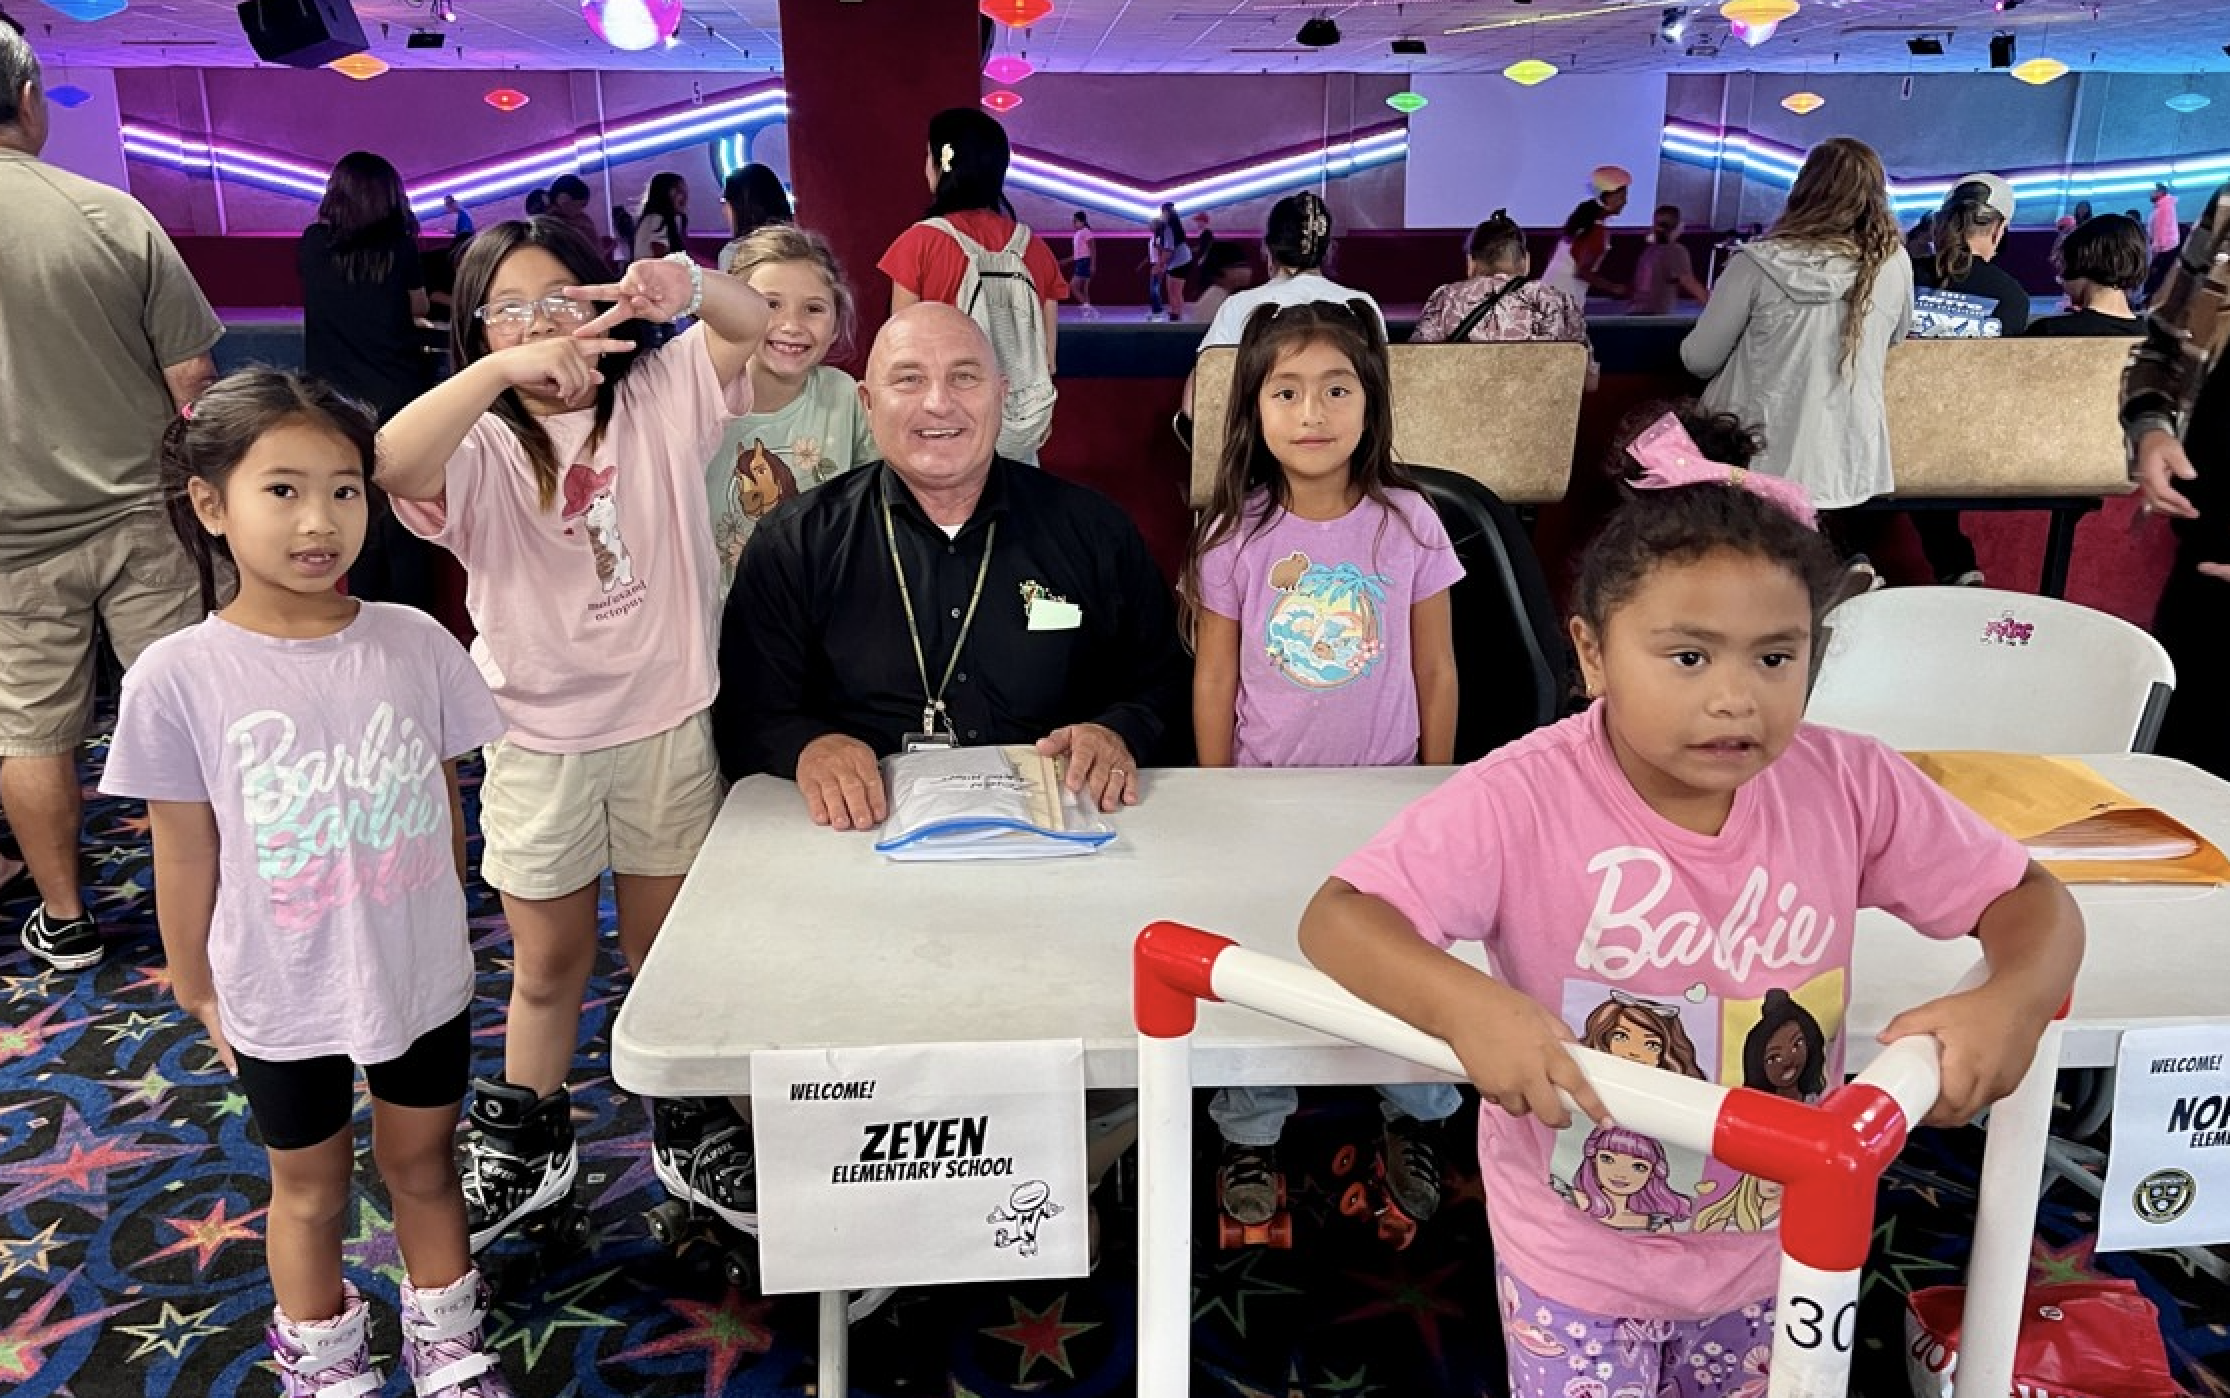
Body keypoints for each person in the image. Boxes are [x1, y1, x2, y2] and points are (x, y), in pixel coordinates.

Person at [1298, 415, 2084, 1397]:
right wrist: (1466, 1005)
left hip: (1781, 1247)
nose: (1734, 700)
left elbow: (2031, 901)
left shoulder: (1848, 783)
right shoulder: (1522, 795)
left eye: (1774, 658)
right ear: (1589, 654)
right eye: (1686, 657)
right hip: (1577, 1260)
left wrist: (2011, 994)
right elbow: (1338, 916)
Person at [101, 372, 513, 1398]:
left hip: (419, 972)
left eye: (344, 490)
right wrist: (197, 983)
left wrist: (452, 917)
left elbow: (444, 796)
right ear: (210, 505)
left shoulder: (415, 641)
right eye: (281, 491)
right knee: (309, 1185)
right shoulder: (179, 675)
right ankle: (322, 1355)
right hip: (280, 983)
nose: (319, 520)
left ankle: (447, 1342)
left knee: (425, 1163)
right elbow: (185, 848)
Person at [375, 219, 770, 1254]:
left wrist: (680, 281)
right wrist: (501, 365)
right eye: (510, 308)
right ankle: (529, 1142)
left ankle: (687, 1126)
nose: (545, 326)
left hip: (666, 725)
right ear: (478, 334)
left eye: (563, 299)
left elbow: (751, 319)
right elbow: (389, 459)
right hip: (539, 740)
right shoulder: (483, 445)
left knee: (664, 953)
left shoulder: (658, 394)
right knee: (546, 964)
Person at [1186, 299, 1464, 1236]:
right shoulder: (1237, 531)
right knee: (1261, 958)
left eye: (1336, 388)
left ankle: (1416, 1114)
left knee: (1408, 964)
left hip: (1386, 797)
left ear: (1370, 400)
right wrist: (1214, 791)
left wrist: (1435, 783)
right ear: (1255, 411)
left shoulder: (1410, 523)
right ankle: (1252, 1127)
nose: (1313, 412)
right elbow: (1217, 671)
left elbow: (1435, 665)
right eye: (1288, 390)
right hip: (1264, 799)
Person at [715, 302, 1188, 829]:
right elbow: (745, 711)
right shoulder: (796, 542)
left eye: (964, 377)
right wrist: (809, 746)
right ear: (868, 404)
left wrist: (1117, 731)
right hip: (860, 830)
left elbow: (1164, 681)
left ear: (1001, 396)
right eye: (909, 380)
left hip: (1066, 825)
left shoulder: (1095, 530)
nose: (938, 404)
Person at [1, 25, 222, 972]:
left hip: (9, 540)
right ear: (30, 98)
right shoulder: (108, 216)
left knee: (31, 727)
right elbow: (196, 388)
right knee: (182, 708)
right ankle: (216, 893)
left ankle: (68, 916)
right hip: (145, 515)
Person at [1680, 137, 1912, 554]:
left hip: (1752, 453)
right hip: (1844, 454)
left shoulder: (1755, 262)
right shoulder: (1893, 263)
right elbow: (1897, 338)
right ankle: (1839, 571)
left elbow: (1699, 359)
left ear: (1803, 189)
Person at [880, 108, 1065, 463]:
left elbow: (901, 360)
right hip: (1018, 434)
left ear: (941, 164)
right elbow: (1048, 360)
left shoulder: (917, 245)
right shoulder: (1036, 251)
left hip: (941, 432)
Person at [299, 151, 440, 612]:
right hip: (398, 394)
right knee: (406, 518)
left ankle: (363, 616)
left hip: (332, 404)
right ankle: (417, 624)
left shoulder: (312, 244)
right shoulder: (399, 248)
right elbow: (418, 307)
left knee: (352, 507)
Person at [2123, 180, 2230, 779]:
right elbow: (2159, 349)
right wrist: (2152, 428)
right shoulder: (2226, 211)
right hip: (2202, 561)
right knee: (2178, 787)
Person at [705, 224, 875, 590]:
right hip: (718, 617)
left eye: (813, 309)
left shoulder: (844, 396)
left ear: (835, 325)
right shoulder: (700, 401)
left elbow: (874, 503)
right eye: (770, 305)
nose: (791, 325)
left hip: (816, 615)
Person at [1906, 173, 2027, 586]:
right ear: (1997, 229)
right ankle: (1957, 566)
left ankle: (1854, 557)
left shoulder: (1903, 275)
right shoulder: (2011, 295)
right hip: (1963, 436)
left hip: (1888, 426)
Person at [1184, 192, 1385, 419]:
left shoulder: (1239, 306)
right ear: (1328, 250)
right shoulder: (1362, 306)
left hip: (1258, 450)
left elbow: (1194, 406)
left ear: (1268, 249)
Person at [1413, 210, 1587, 346]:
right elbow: (1589, 381)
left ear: (1470, 263)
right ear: (1526, 262)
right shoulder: (1558, 302)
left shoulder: (1446, 299)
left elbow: (1417, 363)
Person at [2029, 214, 2147, 338]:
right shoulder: (2156, 340)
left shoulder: (2048, 331)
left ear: (2081, 264)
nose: (2062, 281)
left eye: (2063, 266)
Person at [1541, 166, 1632, 305]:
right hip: (1562, 302)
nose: (1625, 202)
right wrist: (1614, 288)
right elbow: (1582, 271)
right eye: (1622, 197)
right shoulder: (1596, 231)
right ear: (1607, 197)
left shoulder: (1580, 225)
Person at [1631, 204, 1710, 314]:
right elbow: (1689, 282)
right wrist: (1713, 306)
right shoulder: (1675, 251)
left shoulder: (1649, 251)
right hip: (1653, 320)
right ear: (1678, 225)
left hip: (1636, 315)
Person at [714, 162, 792, 275]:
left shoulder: (735, 255)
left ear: (739, 206)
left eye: (724, 202)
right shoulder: (801, 248)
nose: (723, 211)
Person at [1185, 242, 1254, 325]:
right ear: (1221, 270)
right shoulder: (1215, 297)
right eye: (1241, 265)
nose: (1248, 271)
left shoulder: (1221, 295)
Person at [631, 171, 689, 261]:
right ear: (663, 193)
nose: (685, 196)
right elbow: (659, 256)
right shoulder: (657, 220)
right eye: (679, 191)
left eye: (685, 191)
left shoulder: (652, 219)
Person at [1151, 201, 1191, 322]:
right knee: (1176, 291)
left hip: (1179, 262)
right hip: (1182, 261)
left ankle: (1175, 316)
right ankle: (1176, 314)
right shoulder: (1175, 225)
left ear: (1166, 213)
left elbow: (1168, 250)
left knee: (1174, 291)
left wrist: (1159, 265)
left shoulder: (1168, 227)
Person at [545, 174, 602, 254]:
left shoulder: (582, 219)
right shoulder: (547, 226)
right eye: (581, 205)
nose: (581, 210)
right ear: (564, 201)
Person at [1065, 210, 1098, 320]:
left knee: (1073, 286)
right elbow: (1077, 253)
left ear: (1082, 221)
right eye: (1073, 221)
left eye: (1075, 221)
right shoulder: (1078, 234)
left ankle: (1088, 308)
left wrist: (1093, 264)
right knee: (1083, 288)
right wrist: (1065, 261)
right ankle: (1088, 312)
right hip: (1081, 261)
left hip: (1085, 261)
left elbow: (1092, 248)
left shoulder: (1085, 232)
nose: (1073, 223)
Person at [2150, 182, 2182, 256]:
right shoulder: (2163, 206)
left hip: (2165, 248)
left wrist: (2158, 249)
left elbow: (2161, 228)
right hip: (2165, 247)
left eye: (2153, 191)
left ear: (2160, 193)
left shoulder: (2164, 207)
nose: (2150, 193)